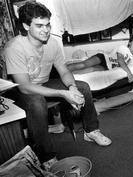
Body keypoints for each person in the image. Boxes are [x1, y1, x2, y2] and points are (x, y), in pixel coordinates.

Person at [4, 1, 111, 162]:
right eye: (39, 26)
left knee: (83, 87)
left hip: (43, 84)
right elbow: (25, 87)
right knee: (37, 102)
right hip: (20, 91)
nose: (46, 30)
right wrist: (62, 93)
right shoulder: (14, 47)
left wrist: (72, 87)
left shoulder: (52, 43)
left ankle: (91, 131)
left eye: (48, 25)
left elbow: (64, 70)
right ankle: (46, 157)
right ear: (26, 26)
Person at [67, 36, 133, 83]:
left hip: (107, 67)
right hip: (103, 58)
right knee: (83, 64)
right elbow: (120, 60)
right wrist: (129, 73)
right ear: (130, 43)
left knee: (91, 70)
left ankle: (67, 75)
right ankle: (61, 70)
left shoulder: (132, 57)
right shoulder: (123, 48)